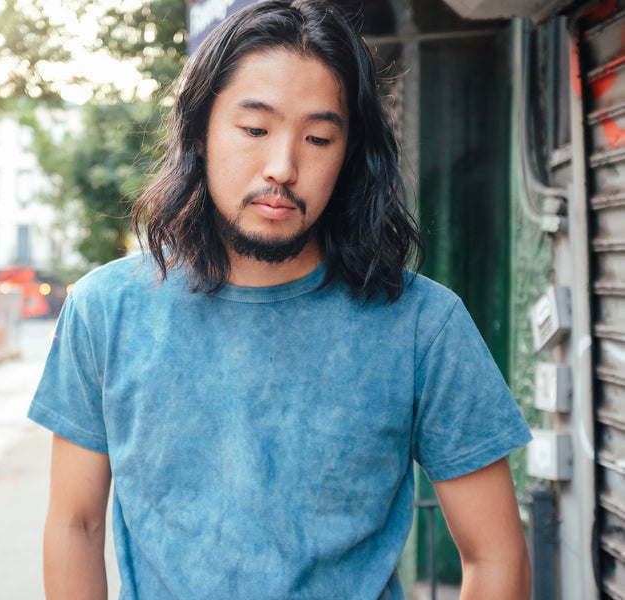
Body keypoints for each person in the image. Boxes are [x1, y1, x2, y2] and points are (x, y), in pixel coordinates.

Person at [27, 1, 533, 598]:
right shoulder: (104, 311)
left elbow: (496, 555)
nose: (283, 166)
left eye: (318, 138)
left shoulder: (425, 325)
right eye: (255, 129)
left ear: (350, 157)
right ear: (200, 130)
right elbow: (75, 526)